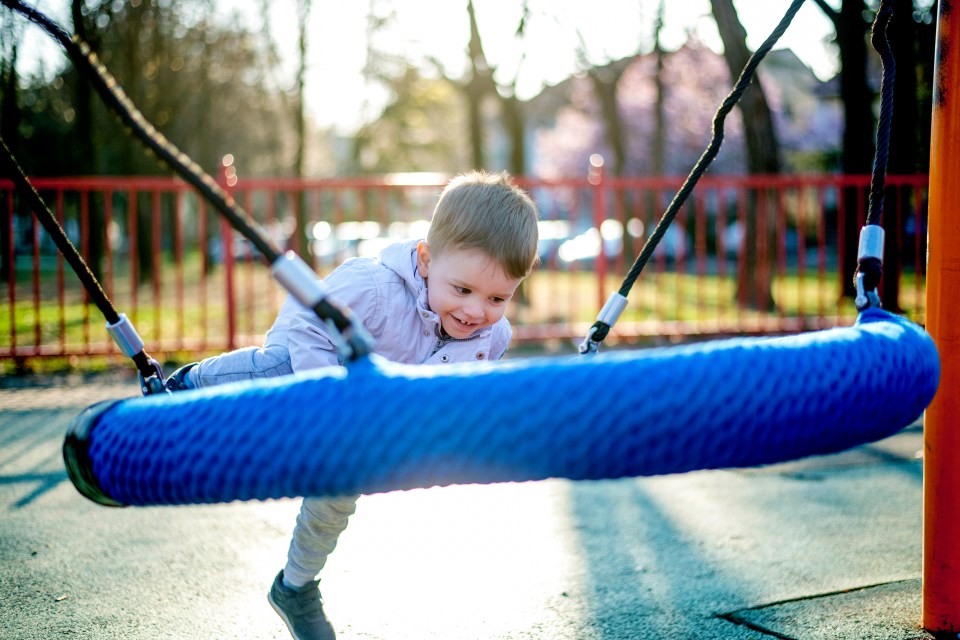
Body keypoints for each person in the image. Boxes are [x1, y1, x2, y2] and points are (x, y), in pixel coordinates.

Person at [164, 170, 541, 640]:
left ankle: (295, 586)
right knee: (273, 372)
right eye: (462, 290)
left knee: (338, 495)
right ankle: (185, 386)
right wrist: (331, 401)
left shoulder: (492, 337)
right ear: (425, 260)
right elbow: (306, 328)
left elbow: (460, 393)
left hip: (366, 416)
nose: (475, 311)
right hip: (311, 364)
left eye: (497, 298)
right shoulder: (373, 287)